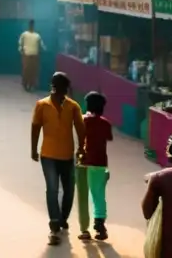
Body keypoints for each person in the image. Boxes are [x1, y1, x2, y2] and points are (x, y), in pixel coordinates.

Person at [31, 71, 86, 246]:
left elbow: (80, 128)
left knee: (69, 190)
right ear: (54, 88)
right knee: (52, 189)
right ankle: (54, 224)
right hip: (48, 155)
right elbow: (35, 127)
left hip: (67, 155)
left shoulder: (73, 106)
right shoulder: (42, 105)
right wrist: (33, 149)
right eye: (60, 89)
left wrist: (81, 148)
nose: (62, 93)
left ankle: (63, 218)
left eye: (64, 89)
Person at [75, 91, 113, 242]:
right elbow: (108, 137)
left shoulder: (82, 120)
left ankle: (84, 229)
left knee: (82, 196)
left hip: (82, 161)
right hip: (99, 163)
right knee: (98, 195)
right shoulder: (105, 123)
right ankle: (100, 225)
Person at [19, 19, 45, 92]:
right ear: (29, 25)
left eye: (32, 25)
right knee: (26, 70)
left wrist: (44, 49)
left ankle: (31, 84)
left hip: (35, 55)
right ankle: (25, 84)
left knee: (33, 71)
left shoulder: (37, 36)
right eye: (30, 24)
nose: (31, 26)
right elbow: (20, 43)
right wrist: (21, 51)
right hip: (26, 55)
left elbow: (41, 44)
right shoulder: (24, 34)